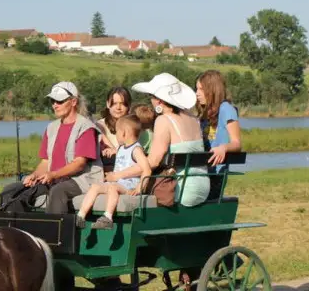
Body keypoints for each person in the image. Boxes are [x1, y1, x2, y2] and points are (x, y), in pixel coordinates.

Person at [0, 81, 103, 214]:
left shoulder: (86, 128)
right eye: (53, 101)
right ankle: (16, 226)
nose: (55, 105)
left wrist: (53, 174)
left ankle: (55, 228)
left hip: (82, 180)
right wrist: (35, 175)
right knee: (11, 190)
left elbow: (79, 164)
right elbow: (46, 162)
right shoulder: (51, 128)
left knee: (57, 191)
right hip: (54, 179)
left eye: (60, 101)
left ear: (73, 102)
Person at [128, 73, 211, 207]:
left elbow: (154, 161)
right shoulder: (193, 118)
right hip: (203, 186)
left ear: (159, 100)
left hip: (180, 189)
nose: (151, 100)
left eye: (151, 96)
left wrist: (121, 173)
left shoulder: (164, 120)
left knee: (127, 186)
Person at [75, 114, 152, 229]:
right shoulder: (121, 147)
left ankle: (108, 217)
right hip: (118, 183)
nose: (116, 135)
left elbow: (147, 169)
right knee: (95, 186)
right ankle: (81, 216)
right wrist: (112, 150)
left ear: (124, 133)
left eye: (116, 132)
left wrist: (139, 189)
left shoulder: (136, 150)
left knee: (112, 187)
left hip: (128, 185)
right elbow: (121, 154)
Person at [196, 70, 242, 199]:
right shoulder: (205, 112)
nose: (197, 93)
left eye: (201, 89)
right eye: (196, 89)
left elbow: (237, 143)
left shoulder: (226, 109)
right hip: (202, 170)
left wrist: (223, 148)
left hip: (216, 173)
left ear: (212, 90)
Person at [97, 87, 131, 159]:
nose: (118, 107)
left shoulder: (134, 125)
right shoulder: (100, 125)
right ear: (107, 104)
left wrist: (116, 150)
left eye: (122, 104)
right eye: (114, 103)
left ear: (129, 105)